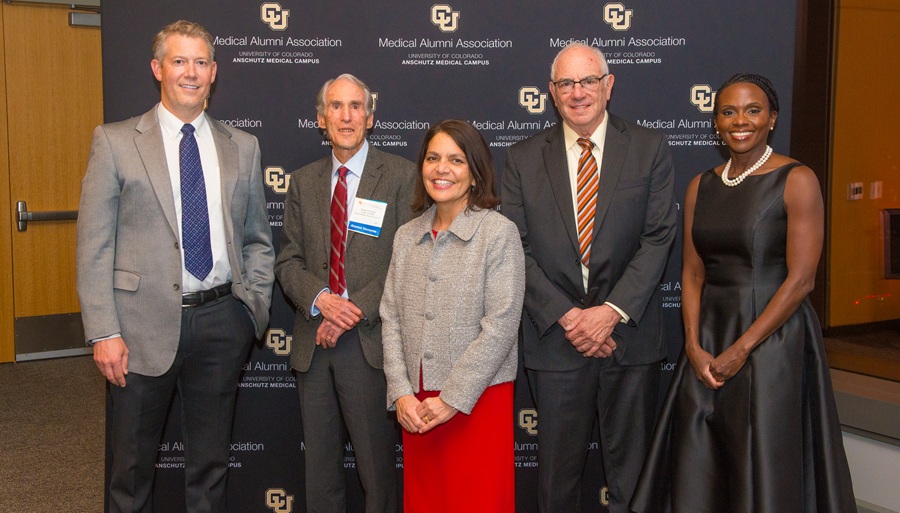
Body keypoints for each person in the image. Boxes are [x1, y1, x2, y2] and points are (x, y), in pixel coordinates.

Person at [630, 73, 857, 513]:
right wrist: (694, 346)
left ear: (772, 119)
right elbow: (693, 274)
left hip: (773, 338)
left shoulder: (797, 179)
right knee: (703, 452)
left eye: (753, 111)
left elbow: (802, 280)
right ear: (715, 122)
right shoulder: (702, 185)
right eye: (728, 111)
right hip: (711, 334)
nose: (740, 121)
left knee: (763, 452)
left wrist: (744, 347)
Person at [76, 20, 275, 513]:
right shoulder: (116, 141)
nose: (191, 72)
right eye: (180, 61)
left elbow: (257, 239)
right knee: (133, 471)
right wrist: (103, 330)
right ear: (157, 69)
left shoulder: (242, 146)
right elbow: (93, 245)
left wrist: (252, 309)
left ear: (214, 73)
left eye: (201, 62)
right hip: (138, 330)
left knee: (209, 467)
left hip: (221, 321)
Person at [500, 43, 676, 513]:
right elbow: (516, 248)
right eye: (566, 84)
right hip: (557, 341)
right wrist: (570, 318)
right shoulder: (520, 159)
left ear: (609, 84)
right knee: (557, 482)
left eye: (588, 81)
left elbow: (658, 237)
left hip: (629, 338)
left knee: (633, 478)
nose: (578, 93)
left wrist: (609, 313)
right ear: (552, 93)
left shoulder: (649, 148)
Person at [274, 74, 416, 513]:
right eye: (336, 106)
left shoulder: (402, 175)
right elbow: (288, 261)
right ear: (321, 119)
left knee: (377, 473)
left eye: (356, 106)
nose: (347, 115)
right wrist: (323, 302)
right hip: (313, 346)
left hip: (369, 345)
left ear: (370, 117)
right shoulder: (302, 181)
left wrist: (350, 310)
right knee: (320, 474)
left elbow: (406, 259)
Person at [380, 119, 525, 513]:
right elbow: (390, 317)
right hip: (418, 408)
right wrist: (401, 393)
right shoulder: (406, 236)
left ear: (476, 174)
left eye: (456, 160)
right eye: (433, 158)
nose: (441, 169)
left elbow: (501, 325)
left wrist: (453, 398)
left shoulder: (498, 233)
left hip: (476, 402)